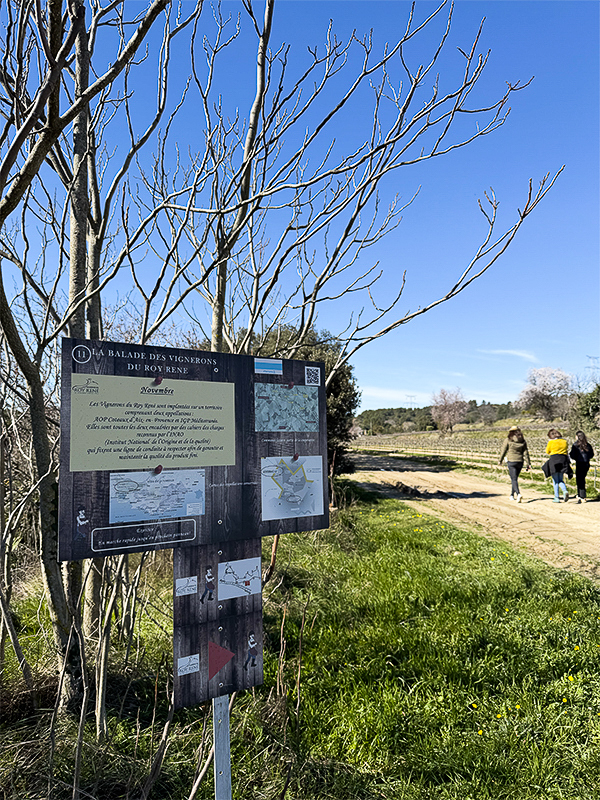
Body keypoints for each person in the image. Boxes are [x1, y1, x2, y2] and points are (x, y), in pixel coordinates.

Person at [499, 425, 531, 502]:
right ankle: (511, 495)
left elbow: (503, 450)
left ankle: (518, 494)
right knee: (515, 479)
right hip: (520, 461)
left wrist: (500, 460)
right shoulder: (522, 441)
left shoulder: (508, 440)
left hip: (511, 461)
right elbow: (526, 452)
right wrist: (528, 463)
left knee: (513, 479)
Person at [544, 428, 571, 503]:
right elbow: (566, 450)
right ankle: (565, 491)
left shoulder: (551, 442)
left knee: (555, 480)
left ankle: (556, 497)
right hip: (563, 460)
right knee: (560, 479)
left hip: (554, 460)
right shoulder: (564, 441)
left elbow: (547, 451)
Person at [569, 431, 595, 503]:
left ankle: (582, 496)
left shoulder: (575, 445)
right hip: (586, 464)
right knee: (582, 478)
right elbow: (592, 454)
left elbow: (572, 455)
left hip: (579, 463)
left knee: (580, 479)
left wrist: (575, 458)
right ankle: (580, 494)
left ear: (577, 436)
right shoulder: (588, 445)